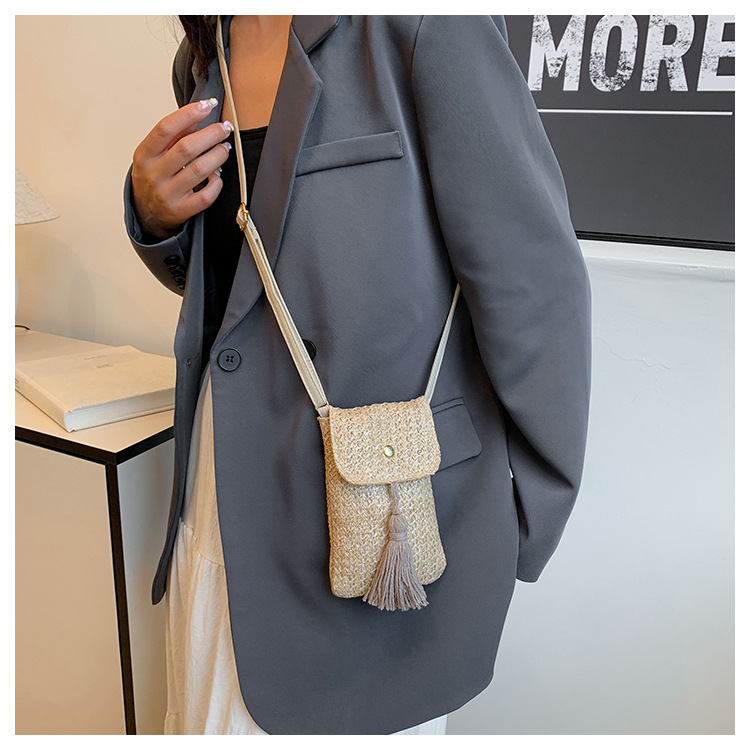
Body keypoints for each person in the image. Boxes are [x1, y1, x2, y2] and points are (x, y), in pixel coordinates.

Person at [124, 15, 592, 735]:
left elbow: (534, 285)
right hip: (219, 503)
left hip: (376, 528)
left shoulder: (425, 24)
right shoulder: (206, 50)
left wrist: (516, 524)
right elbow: (237, 297)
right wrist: (156, 219)